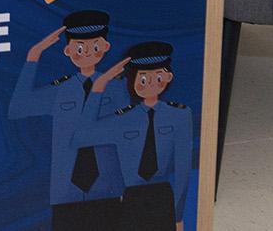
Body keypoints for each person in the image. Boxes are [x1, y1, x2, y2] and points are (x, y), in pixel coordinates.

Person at [8, 11, 125, 229]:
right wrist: (34, 55)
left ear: (106, 46)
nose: (87, 52)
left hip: (107, 188)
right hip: (66, 193)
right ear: (68, 51)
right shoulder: (62, 90)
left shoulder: (117, 87)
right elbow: (18, 108)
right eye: (80, 48)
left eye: (95, 46)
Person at [80, 42, 195, 231]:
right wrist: (99, 86)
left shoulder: (180, 115)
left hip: (163, 196)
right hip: (131, 197)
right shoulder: (124, 118)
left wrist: (178, 215)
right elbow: (82, 136)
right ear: (132, 81)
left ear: (168, 77)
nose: (150, 83)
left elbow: (183, 166)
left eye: (157, 76)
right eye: (142, 78)